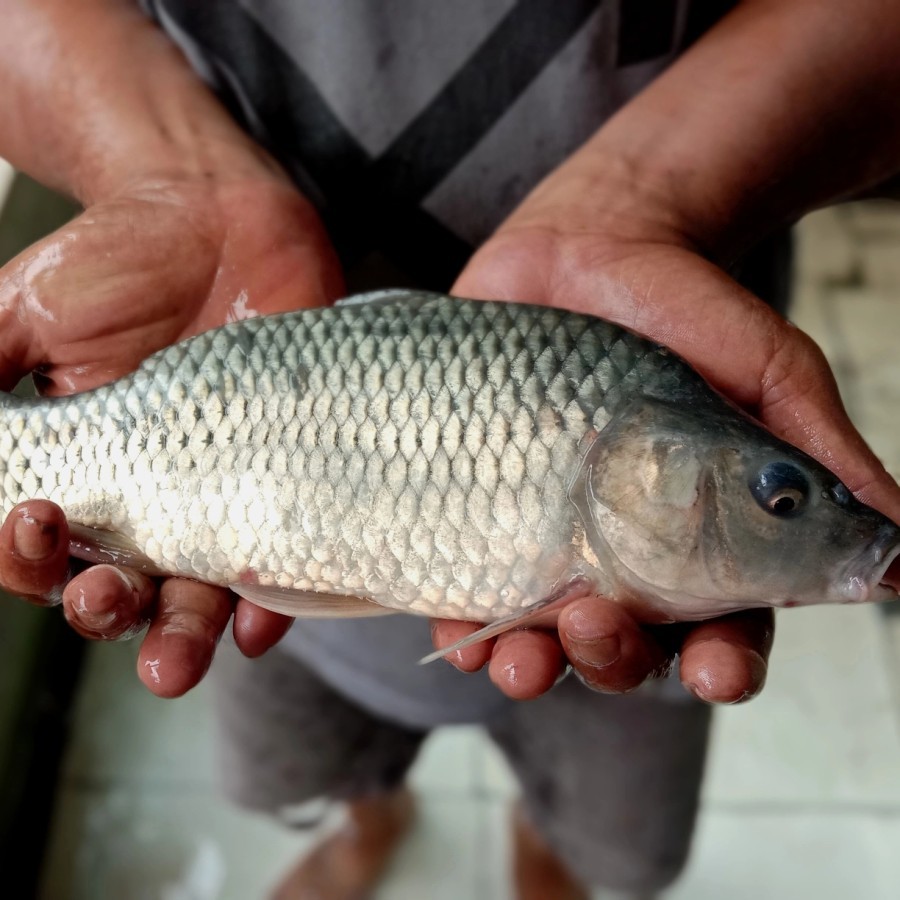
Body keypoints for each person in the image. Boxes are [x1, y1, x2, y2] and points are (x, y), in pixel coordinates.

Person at [2, 2, 900, 898]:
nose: (794, 508)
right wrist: (160, 162)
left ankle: (544, 861)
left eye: (780, 500)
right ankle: (369, 826)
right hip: (279, 610)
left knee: (596, 816)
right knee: (321, 758)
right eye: (780, 498)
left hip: (669, 275)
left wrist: (654, 196)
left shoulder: (660, 404)